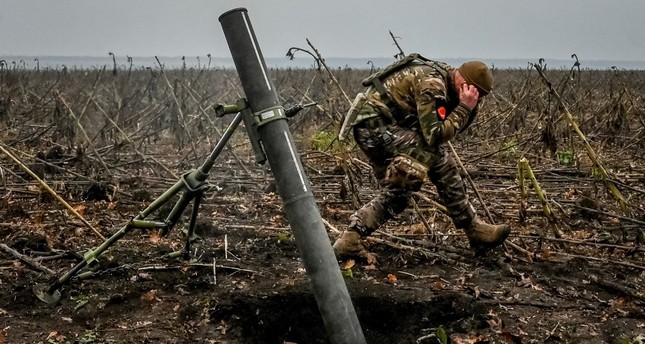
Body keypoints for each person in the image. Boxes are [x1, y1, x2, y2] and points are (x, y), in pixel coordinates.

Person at [333, 54, 511, 259]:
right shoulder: (433, 85)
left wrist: (468, 108)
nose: (476, 98)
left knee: (399, 195)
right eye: (475, 93)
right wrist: (464, 108)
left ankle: (350, 239)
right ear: (463, 82)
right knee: (439, 158)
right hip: (374, 128)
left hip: (385, 127)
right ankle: (473, 229)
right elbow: (435, 136)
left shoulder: (448, 79)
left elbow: (448, 129)